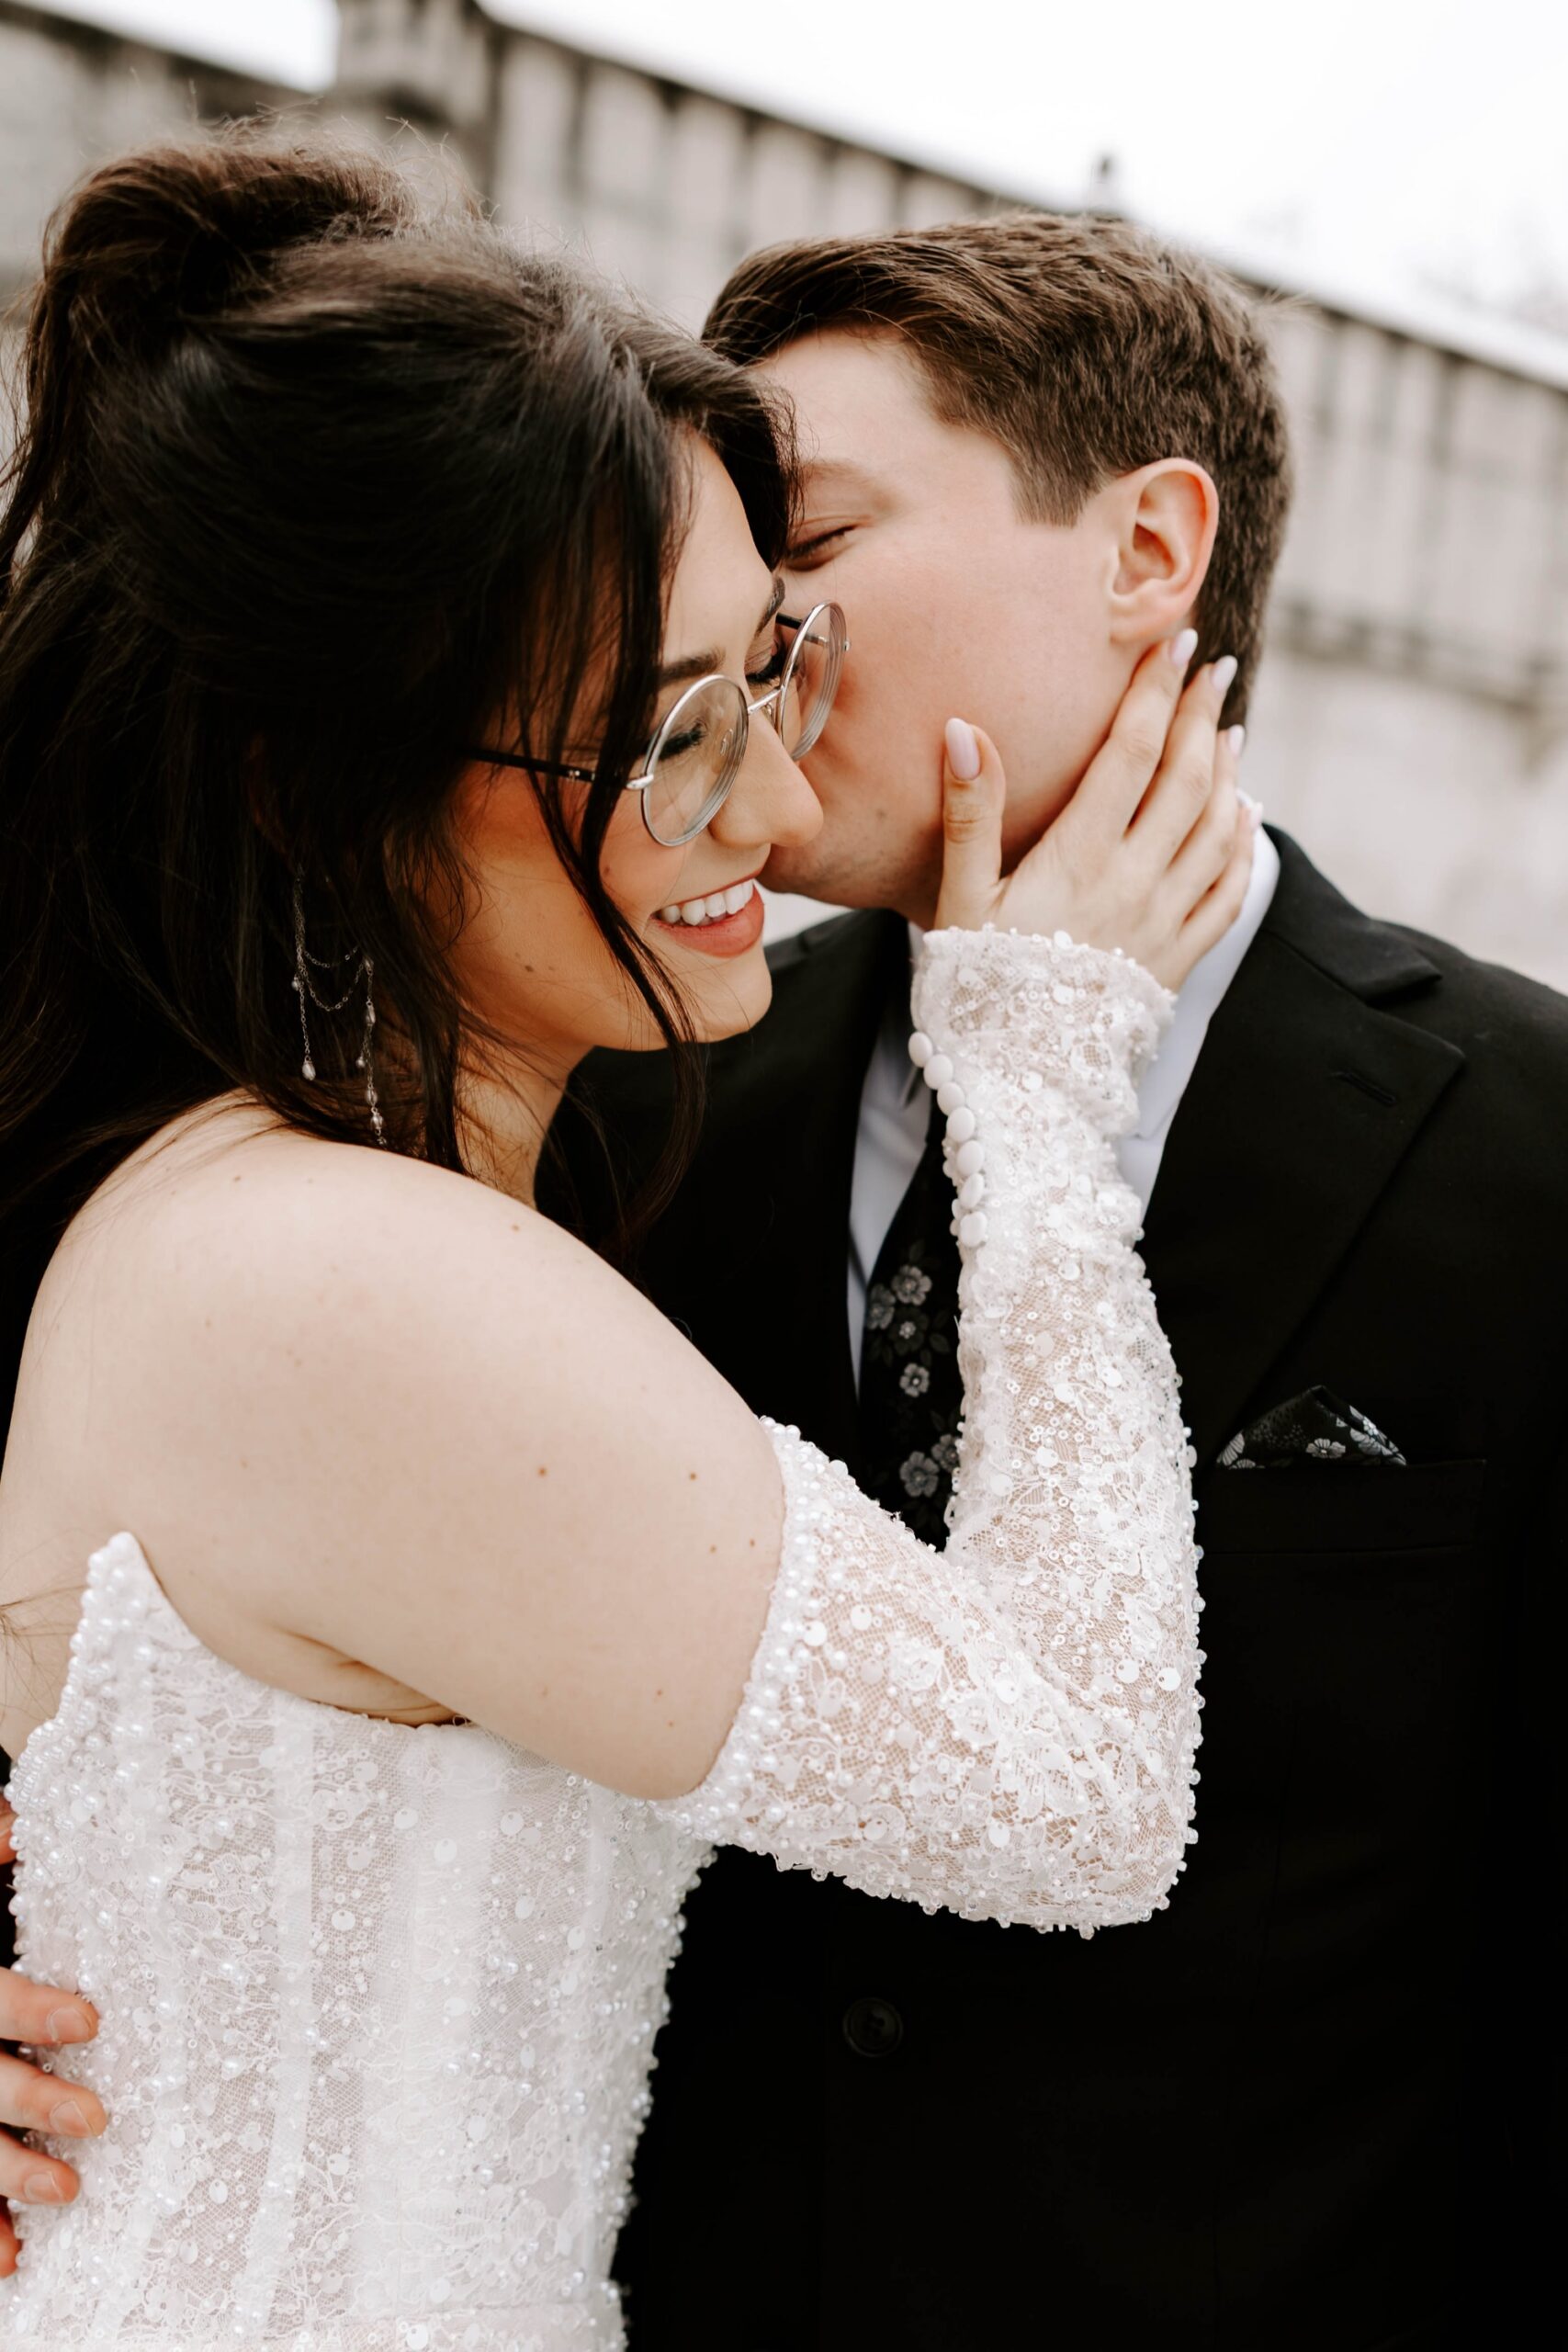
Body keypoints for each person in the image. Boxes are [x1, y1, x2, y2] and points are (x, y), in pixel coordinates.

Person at [0, 130, 1248, 2344]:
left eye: (770, 660)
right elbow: (1077, 1789)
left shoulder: (326, 1204)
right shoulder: (335, 1274)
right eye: (673, 741)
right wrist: (1038, 1076)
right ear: (324, 790)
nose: (771, 801)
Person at [540, 216, 1565, 2351]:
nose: (742, 622)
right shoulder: (626, 1095)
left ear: (1148, 547)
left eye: (804, 526)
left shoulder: (1527, 1141)